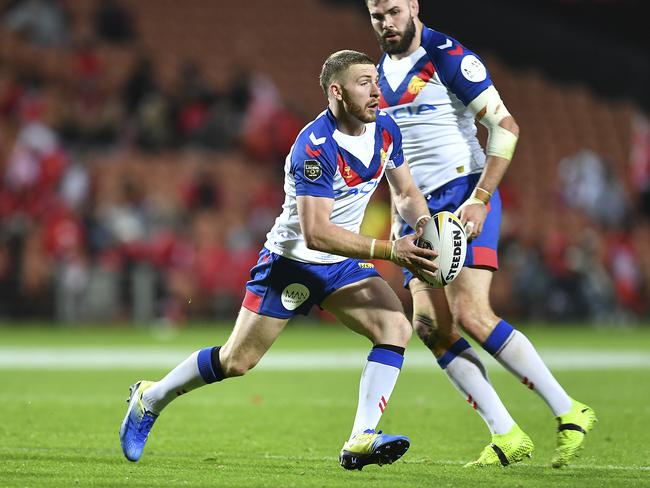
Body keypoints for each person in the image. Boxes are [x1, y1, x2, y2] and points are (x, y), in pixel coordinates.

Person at [119, 49, 439, 470]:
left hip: (342, 264)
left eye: (376, 81)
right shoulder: (315, 146)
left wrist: (425, 227)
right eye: (365, 83)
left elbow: (406, 192)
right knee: (237, 361)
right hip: (292, 262)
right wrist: (389, 250)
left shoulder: (385, 131)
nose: (377, 91)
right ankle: (151, 397)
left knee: (395, 325)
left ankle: (361, 437)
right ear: (336, 92)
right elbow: (317, 233)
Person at [365, 0, 597, 468]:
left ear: (413, 6)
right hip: (419, 213)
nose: (385, 23)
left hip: (464, 195)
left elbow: (505, 126)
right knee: (430, 327)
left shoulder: (446, 55)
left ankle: (569, 411)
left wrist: (481, 197)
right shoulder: (377, 75)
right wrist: (397, 223)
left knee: (472, 313)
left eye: (392, 11)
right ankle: (506, 433)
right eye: (375, 15)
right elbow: (394, 158)